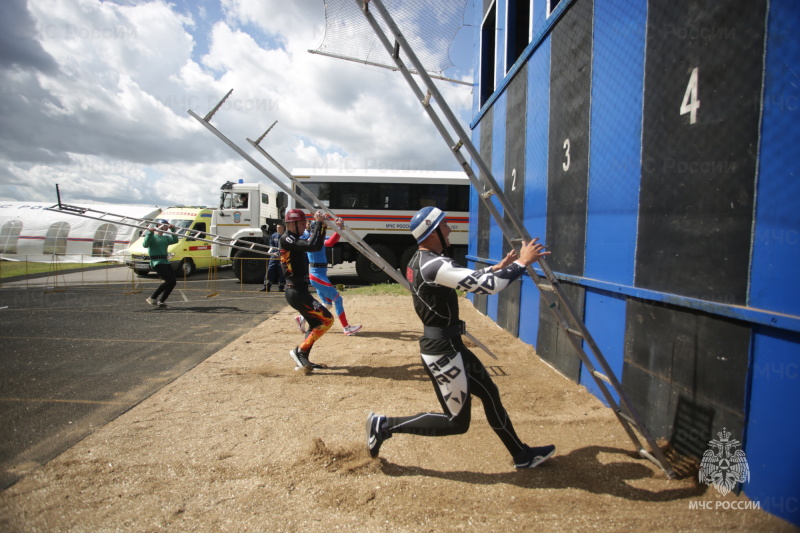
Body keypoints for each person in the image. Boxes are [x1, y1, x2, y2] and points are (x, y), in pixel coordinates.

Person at [366, 206, 556, 469]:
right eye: (445, 225)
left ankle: (521, 454)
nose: (450, 229)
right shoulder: (434, 264)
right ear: (432, 233)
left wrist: (500, 267)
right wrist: (523, 262)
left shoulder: (420, 260)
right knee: (456, 422)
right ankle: (385, 425)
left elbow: (471, 280)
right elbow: (489, 287)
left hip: (451, 346)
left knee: (490, 393)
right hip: (442, 350)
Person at [280, 208, 335, 372]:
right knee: (327, 320)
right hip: (295, 292)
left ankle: (302, 359)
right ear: (293, 224)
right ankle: (299, 352)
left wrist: (322, 225)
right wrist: (317, 223)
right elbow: (311, 245)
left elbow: (317, 246)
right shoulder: (287, 238)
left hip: (300, 290)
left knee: (316, 323)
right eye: (303, 223)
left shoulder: (294, 237)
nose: (305, 226)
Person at [294, 219, 362, 336]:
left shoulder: (317, 239)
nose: (325, 230)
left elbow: (331, 241)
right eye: (323, 227)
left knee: (328, 304)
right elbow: (329, 242)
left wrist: (339, 229)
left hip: (319, 275)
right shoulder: (312, 239)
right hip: (317, 276)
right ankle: (346, 328)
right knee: (338, 299)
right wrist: (339, 229)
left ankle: (302, 318)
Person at [143, 218, 180, 308]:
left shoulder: (165, 238)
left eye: (167, 225)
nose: (166, 227)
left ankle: (161, 301)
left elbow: (175, 240)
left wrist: (173, 229)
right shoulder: (152, 236)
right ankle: (152, 297)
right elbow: (145, 245)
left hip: (165, 261)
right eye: (164, 225)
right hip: (157, 262)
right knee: (169, 281)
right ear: (159, 226)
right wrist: (150, 233)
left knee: (173, 282)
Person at [260, 223, 286, 292]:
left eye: (280, 227)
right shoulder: (273, 236)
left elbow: (285, 247)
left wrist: (279, 253)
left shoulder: (285, 236)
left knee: (281, 272)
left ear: (283, 228)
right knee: (270, 270)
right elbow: (271, 245)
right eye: (277, 227)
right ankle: (267, 286)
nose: (278, 229)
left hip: (282, 257)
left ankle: (281, 287)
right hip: (273, 257)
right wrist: (273, 253)